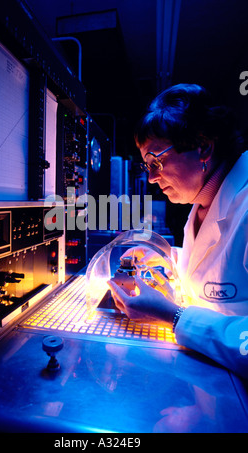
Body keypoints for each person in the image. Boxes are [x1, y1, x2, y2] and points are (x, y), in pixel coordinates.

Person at [107, 83, 248, 379]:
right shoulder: (203, 202)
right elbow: (215, 266)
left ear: (204, 146)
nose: (152, 178)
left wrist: (173, 316)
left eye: (156, 161)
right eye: (147, 166)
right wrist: (167, 257)